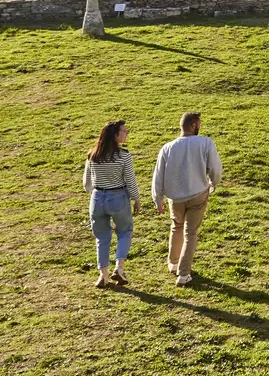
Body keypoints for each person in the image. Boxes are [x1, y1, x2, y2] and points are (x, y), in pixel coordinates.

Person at [152, 111, 221, 286]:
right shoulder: (205, 142)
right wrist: (213, 183)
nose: (200, 126)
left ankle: (173, 263)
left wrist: (158, 199)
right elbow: (215, 168)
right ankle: (183, 273)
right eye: (199, 123)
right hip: (198, 193)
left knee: (176, 227)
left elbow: (158, 175)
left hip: (175, 197)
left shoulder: (168, 147)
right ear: (193, 125)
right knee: (190, 233)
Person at [82, 119, 141, 288]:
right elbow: (130, 180)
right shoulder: (123, 156)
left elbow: (87, 184)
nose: (126, 133)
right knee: (125, 231)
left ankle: (103, 275)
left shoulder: (92, 155)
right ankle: (119, 268)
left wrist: (96, 193)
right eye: (124, 131)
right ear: (115, 135)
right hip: (118, 197)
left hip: (97, 198)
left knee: (102, 237)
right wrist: (136, 198)